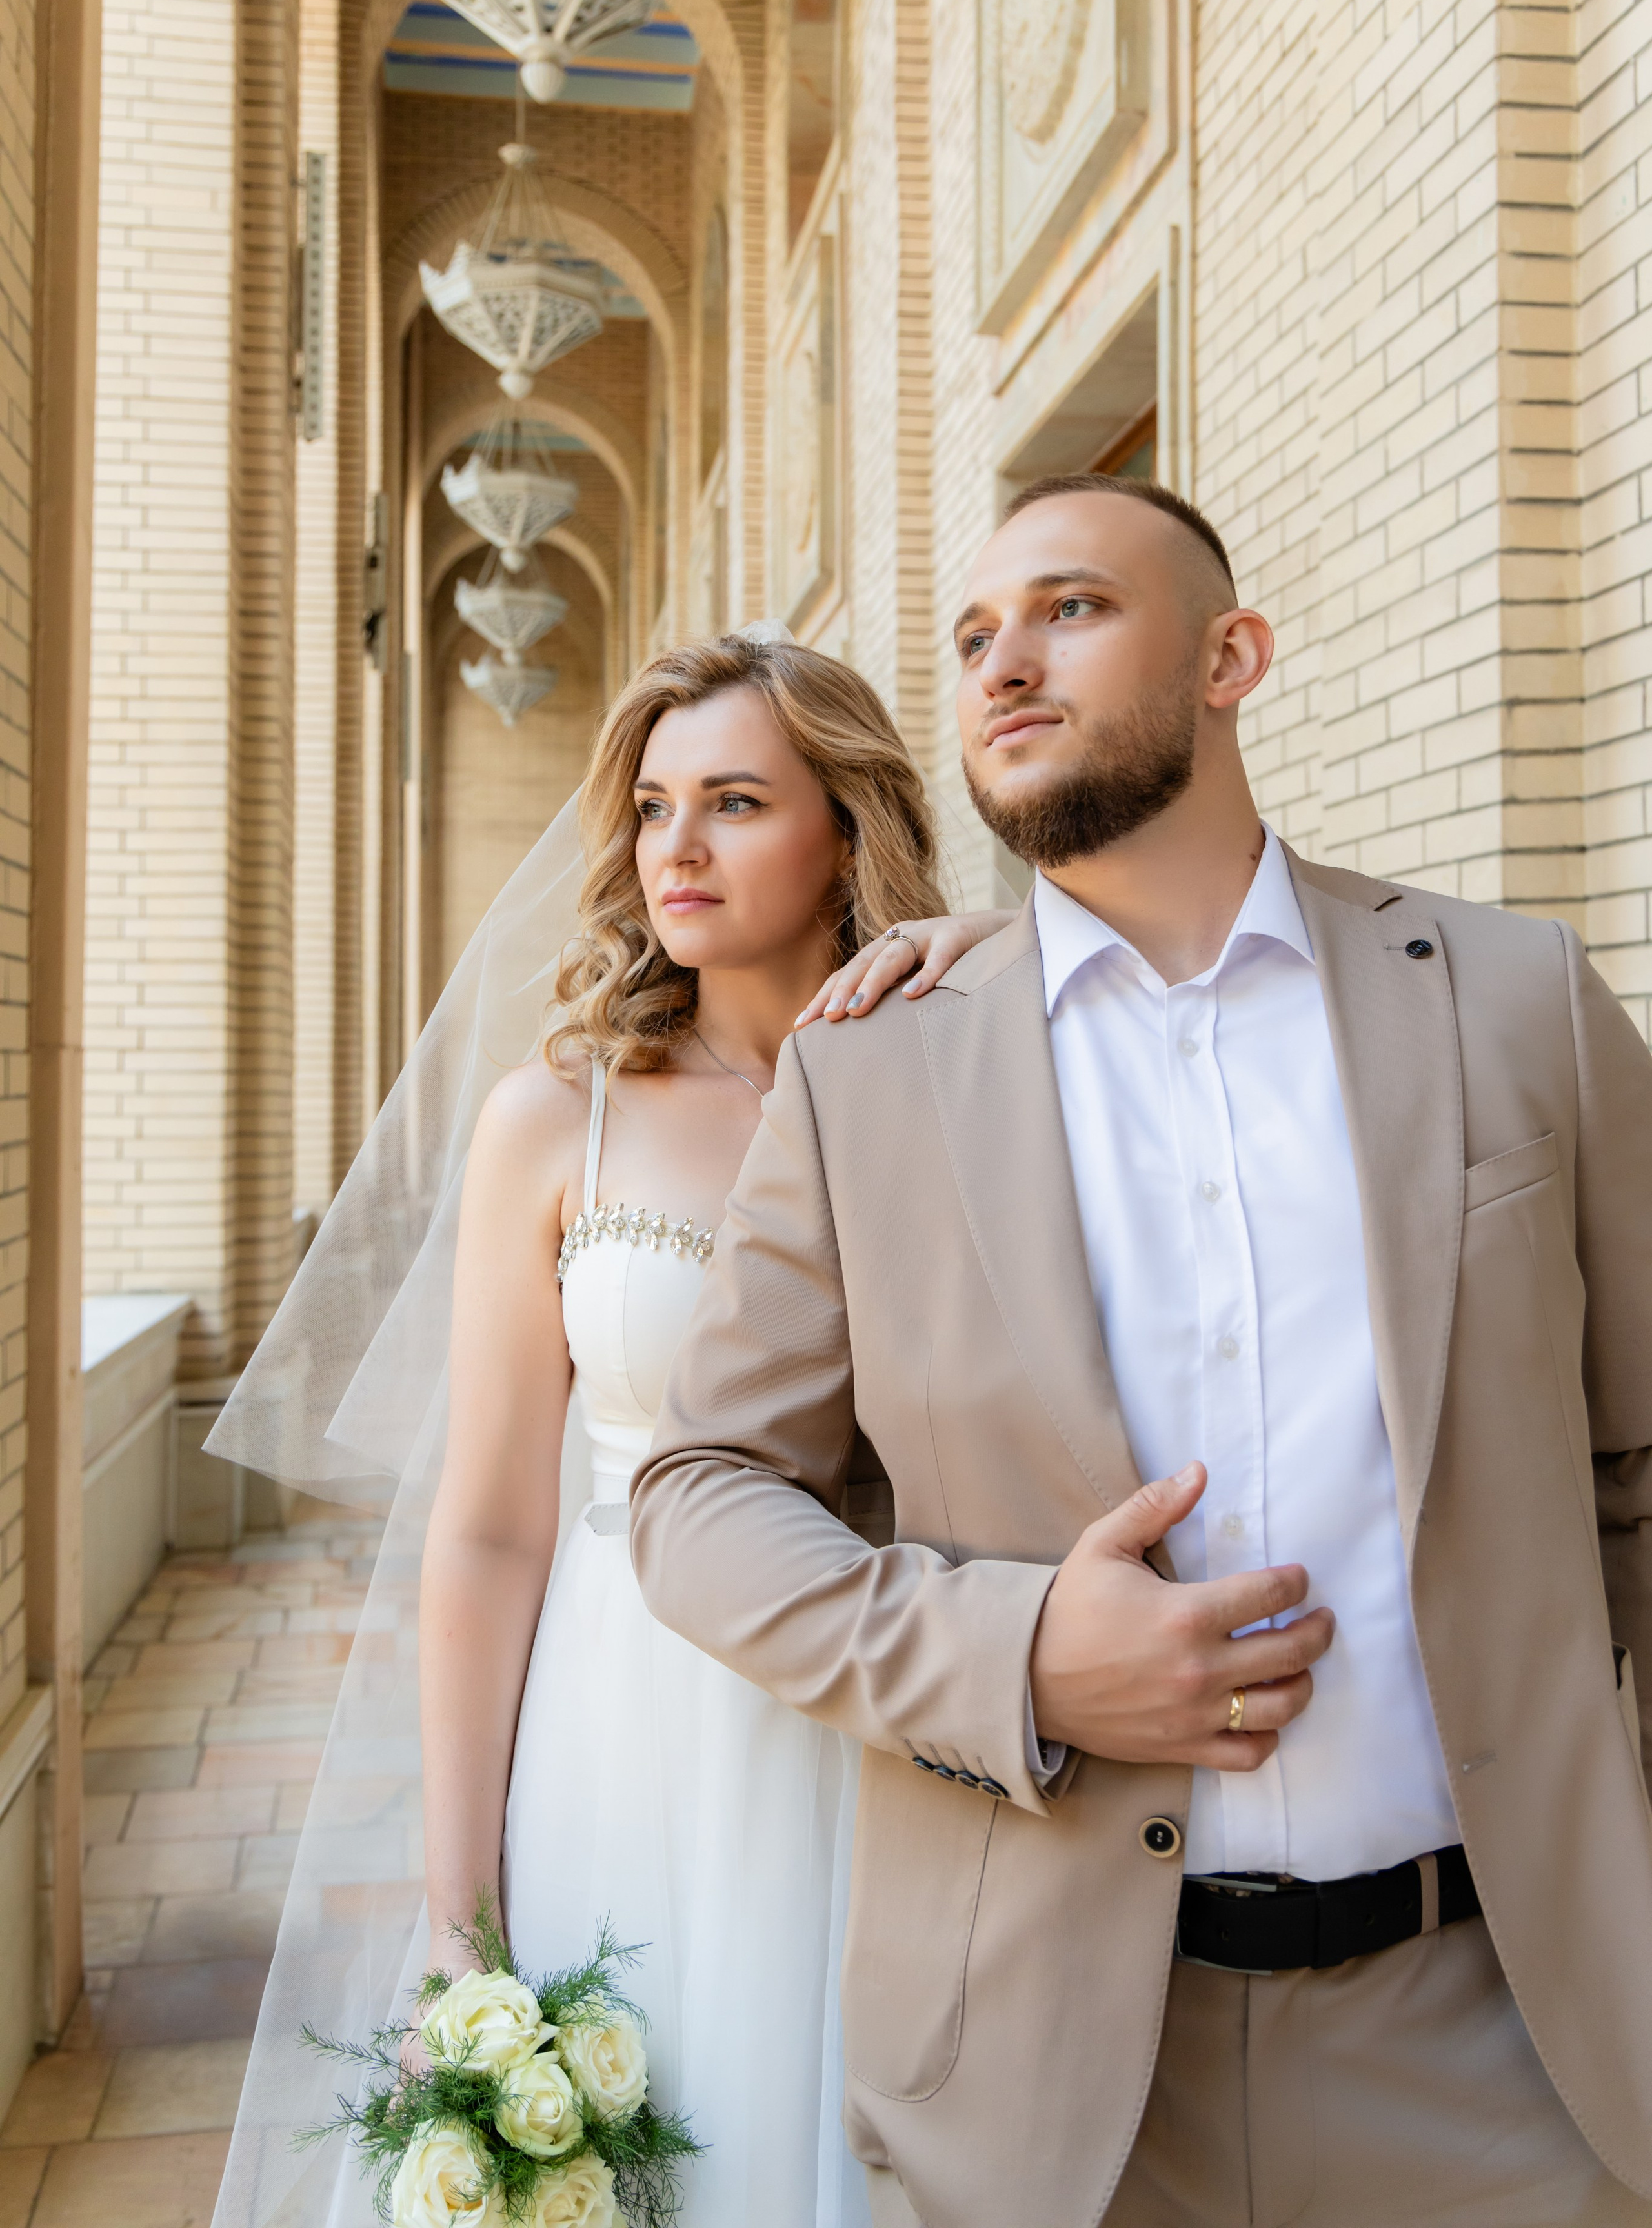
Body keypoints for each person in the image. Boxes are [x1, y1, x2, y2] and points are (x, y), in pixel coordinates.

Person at [632, 477, 1652, 2228]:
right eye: (973, 635)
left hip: (1512, 2048)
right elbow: (697, 1497)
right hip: (1055, 2081)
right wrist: (1019, 1657)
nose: (1002, 663)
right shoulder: (869, 1070)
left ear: (1230, 657)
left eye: (1071, 609)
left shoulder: (1516, 1001)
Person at [204, 629, 998, 2228]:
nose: (674, 848)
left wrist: (989, 956)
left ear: (846, 830)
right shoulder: (558, 1117)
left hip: (893, 1708)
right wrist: (458, 1918)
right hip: (624, 1718)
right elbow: (490, 1530)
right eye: (651, 806)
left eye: (733, 803)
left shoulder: (956, 1082)